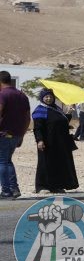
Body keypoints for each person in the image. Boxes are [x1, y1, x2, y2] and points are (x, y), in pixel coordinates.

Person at [32, 88, 79, 193]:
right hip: (47, 142)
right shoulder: (40, 110)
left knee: (58, 163)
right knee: (45, 163)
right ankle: (42, 187)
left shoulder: (56, 108)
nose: (48, 99)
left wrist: (69, 113)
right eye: (46, 97)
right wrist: (39, 140)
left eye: (50, 97)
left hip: (59, 142)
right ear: (42, 98)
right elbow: (38, 128)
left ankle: (56, 186)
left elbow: (62, 122)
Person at [0, 70, 30, 198]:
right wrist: (22, 134)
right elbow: (28, 117)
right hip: (17, 134)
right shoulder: (22, 95)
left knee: (2, 161)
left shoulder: (2, 94)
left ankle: (6, 190)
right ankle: (14, 188)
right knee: (7, 161)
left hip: (4, 133)